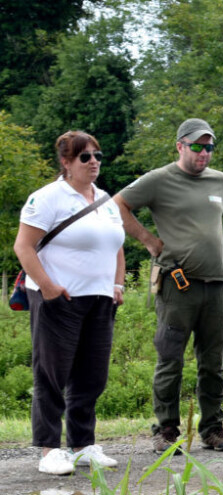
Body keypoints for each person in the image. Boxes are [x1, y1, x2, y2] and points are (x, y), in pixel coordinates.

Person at [114, 118, 223, 455]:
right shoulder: (160, 180)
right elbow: (119, 203)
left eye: (209, 147)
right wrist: (147, 239)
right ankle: (166, 430)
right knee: (171, 359)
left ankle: (213, 429)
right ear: (180, 146)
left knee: (213, 361)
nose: (204, 153)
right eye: (197, 146)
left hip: (216, 284)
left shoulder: (220, 180)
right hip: (178, 284)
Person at [13, 131, 125, 474]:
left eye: (98, 156)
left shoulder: (105, 199)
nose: (94, 163)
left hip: (100, 299)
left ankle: (82, 445)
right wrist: (47, 286)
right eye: (85, 157)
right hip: (59, 297)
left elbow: (117, 245)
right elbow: (24, 247)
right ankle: (49, 449)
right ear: (66, 162)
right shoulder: (47, 198)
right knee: (51, 372)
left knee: (92, 375)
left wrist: (117, 283)